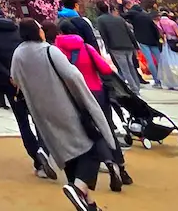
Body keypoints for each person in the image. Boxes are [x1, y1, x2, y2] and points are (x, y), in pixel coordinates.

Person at [11, 19, 119, 211]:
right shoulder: (48, 50)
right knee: (93, 148)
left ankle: (89, 204)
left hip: (42, 112)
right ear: (38, 32)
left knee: (69, 154)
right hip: (65, 107)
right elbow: (73, 76)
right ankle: (78, 189)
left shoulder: (18, 53)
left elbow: (15, 79)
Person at [0, 7, 56, 181]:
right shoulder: (17, 31)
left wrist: (9, 75)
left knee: (22, 121)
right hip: (28, 80)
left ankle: (37, 158)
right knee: (38, 118)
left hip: (9, 83)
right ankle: (44, 150)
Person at [53, 22, 128, 190]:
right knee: (107, 127)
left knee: (90, 132)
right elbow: (104, 68)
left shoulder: (56, 51)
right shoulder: (86, 47)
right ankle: (120, 166)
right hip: (97, 91)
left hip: (75, 96)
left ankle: (104, 161)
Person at [93, 2, 142, 93]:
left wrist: (107, 47)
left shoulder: (100, 20)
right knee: (131, 67)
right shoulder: (119, 19)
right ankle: (137, 86)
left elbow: (104, 34)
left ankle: (134, 89)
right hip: (128, 45)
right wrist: (135, 45)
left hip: (115, 46)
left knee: (125, 69)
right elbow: (129, 32)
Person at [124, 0, 161, 86]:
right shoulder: (147, 16)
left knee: (150, 60)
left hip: (142, 40)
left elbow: (124, 16)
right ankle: (163, 78)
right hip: (153, 40)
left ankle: (157, 80)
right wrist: (157, 39)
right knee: (159, 60)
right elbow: (155, 28)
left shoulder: (134, 17)